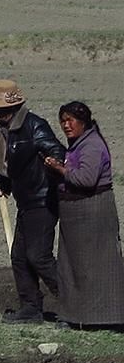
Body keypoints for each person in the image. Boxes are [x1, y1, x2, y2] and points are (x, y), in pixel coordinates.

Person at [0, 79, 66, 324]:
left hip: (43, 200)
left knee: (38, 256)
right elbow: (13, 166)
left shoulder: (34, 126)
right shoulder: (6, 131)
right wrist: (1, 181)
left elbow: (57, 152)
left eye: (0, 107)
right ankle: (30, 307)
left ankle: (73, 305)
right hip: (26, 202)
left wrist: (52, 168)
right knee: (19, 256)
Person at [44, 101, 124, 329]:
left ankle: (105, 318)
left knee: (98, 266)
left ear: (84, 122)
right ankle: (75, 315)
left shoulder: (92, 146)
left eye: (71, 120)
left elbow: (86, 179)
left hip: (93, 212)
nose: (66, 125)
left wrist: (59, 169)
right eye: (63, 120)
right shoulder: (78, 143)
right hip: (76, 215)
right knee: (73, 267)